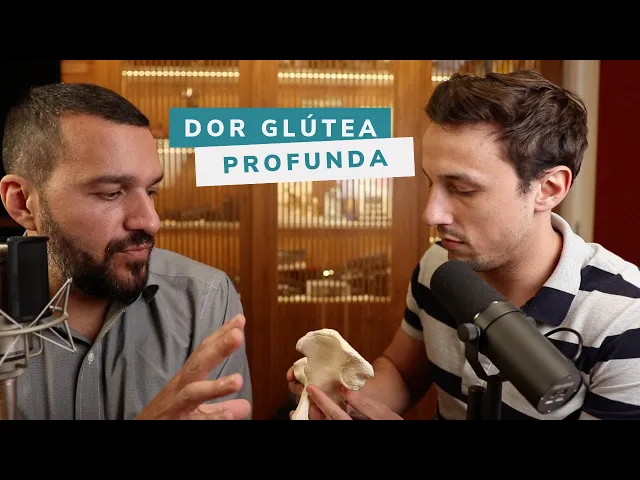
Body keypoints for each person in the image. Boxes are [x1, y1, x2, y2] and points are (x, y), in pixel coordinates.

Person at [287, 69, 640, 420]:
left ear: (548, 189)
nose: (431, 214)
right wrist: (339, 399)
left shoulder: (624, 321)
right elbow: (401, 371)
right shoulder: (440, 265)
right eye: (432, 183)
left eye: (463, 189)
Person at [0, 82, 252, 420]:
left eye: (151, 191)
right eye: (110, 193)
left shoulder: (205, 300)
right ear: (22, 202)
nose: (151, 221)